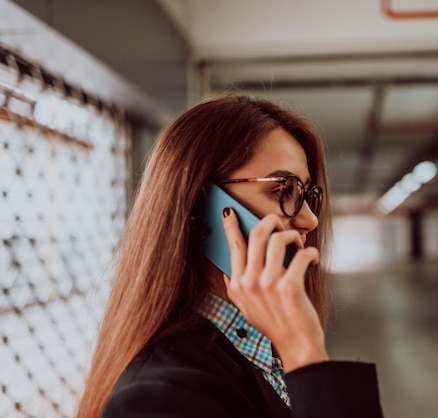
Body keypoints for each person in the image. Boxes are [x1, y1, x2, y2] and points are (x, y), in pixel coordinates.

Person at [76, 94, 384, 417]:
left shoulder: (260, 350)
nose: (310, 219)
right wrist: (304, 352)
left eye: (308, 195)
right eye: (285, 190)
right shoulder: (158, 401)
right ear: (202, 207)